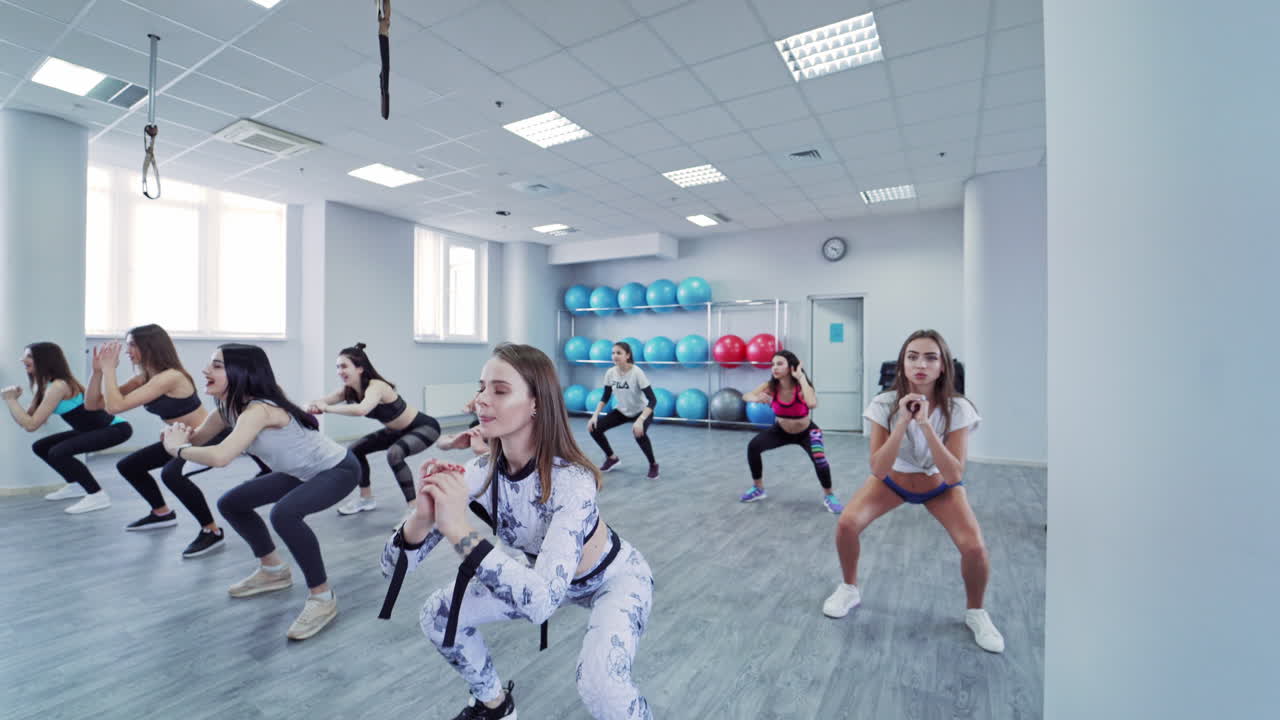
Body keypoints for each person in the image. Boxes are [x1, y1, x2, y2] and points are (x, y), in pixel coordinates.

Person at [379, 343, 654, 720]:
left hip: (614, 578)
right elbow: (392, 570)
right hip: (542, 580)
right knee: (439, 614)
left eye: (500, 390)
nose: (481, 400)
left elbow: (541, 603)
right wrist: (422, 517)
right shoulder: (478, 473)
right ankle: (495, 705)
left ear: (536, 403)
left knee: (600, 685)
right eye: (482, 387)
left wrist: (459, 529)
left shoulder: (573, 481)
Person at [821, 329, 1004, 653]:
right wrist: (903, 420)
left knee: (974, 548)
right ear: (902, 363)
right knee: (847, 524)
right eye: (913, 356)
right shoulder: (883, 404)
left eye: (931, 357)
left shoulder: (958, 408)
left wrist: (925, 425)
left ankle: (976, 612)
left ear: (943, 366)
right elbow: (877, 468)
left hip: (940, 487)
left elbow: (954, 472)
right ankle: (849, 588)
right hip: (892, 483)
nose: (921, 363)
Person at [162, 344, 358, 640]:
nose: (205, 370)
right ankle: (273, 570)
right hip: (300, 472)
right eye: (210, 364)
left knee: (285, 514)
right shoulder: (226, 408)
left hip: (338, 469)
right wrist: (177, 438)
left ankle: (322, 597)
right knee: (232, 503)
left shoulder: (259, 409)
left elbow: (220, 457)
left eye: (216, 365)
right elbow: (199, 441)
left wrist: (178, 448)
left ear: (242, 372)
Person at [89, 325, 268, 557]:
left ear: (150, 346)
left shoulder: (170, 377)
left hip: (208, 437)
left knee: (172, 474)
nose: (127, 350)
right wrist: (98, 372)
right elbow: (93, 405)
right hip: (182, 438)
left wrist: (109, 369)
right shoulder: (145, 377)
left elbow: (115, 406)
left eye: (133, 344)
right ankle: (162, 513)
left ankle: (211, 531)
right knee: (129, 466)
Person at [306, 343, 440, 516]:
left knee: (394, 454)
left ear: (360, 368)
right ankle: (366, 499)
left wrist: (326, 408)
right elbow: (320, 401)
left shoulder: (376, 386)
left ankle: (414, 509)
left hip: (424, 427)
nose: (340, 371)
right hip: (396, 431)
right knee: (354, 450)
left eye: (344, 366)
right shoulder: (348, 391)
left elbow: (362, 409)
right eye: (338, 367)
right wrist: (309, 406)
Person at [3, 342, 132, 513]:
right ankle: (76, 485)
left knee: (59, 452)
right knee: (41, 447)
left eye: (29, 356)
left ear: (44, 360)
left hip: (114, 429)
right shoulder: (44, 385)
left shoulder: (59, 386)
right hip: (90, 430)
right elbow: (26, 420)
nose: (22, 359)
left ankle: (97, 495)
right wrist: (14, 401)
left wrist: (10, 400)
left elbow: (31, 425)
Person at [740, 350, 842, 513]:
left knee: (820, 459)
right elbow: (746, 395)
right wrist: (756, 398)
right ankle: (758, 488)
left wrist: (801, 377)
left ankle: (829, 496)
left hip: (807, 432)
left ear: (791, 367)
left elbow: (812, 403)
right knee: (753, 446)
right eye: (773, 364)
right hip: (781, 431)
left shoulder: (801, 387)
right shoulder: (771, 386)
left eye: (780, 364)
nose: (775, 367)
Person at [587, 341, 659, 479]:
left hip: (641, 411)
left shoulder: (637, 372)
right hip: (622, 411)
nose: (615, 356)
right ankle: (612, 458)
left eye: (619, 353)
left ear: (627, 355)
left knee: (639, 433)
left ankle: (653, 465)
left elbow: (653, 400)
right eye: (613, 353)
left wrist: (640, 420)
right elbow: (605, 396)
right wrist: (594, 415)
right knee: (594, 428)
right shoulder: (610, 373)